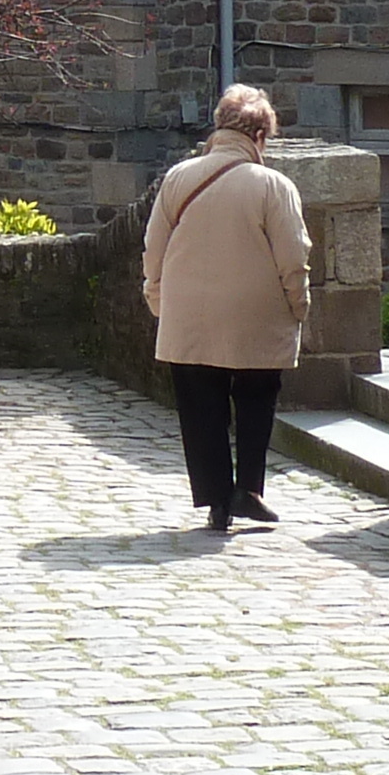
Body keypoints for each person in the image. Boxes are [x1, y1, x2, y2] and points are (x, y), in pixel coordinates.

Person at [141, 84, 309, 533]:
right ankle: (249, 489)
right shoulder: (274, 186)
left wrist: (159, 300)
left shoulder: (180, 177)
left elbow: (153, 247)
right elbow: (293, 256)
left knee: (200, 404)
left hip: (189, 311)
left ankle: (216, 497)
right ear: (259, 134)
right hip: (256, 311)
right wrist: (298, 305)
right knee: (256, 397)